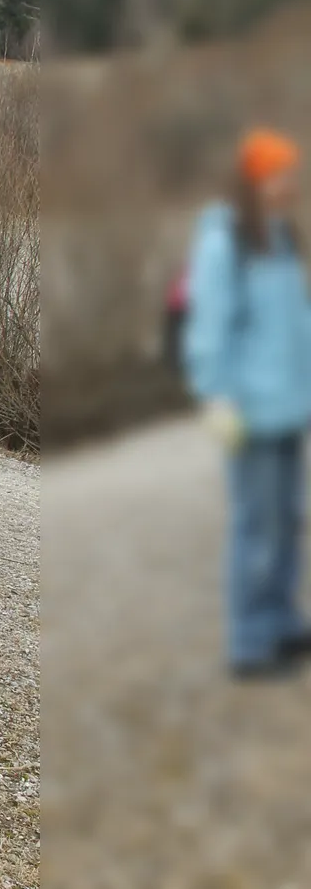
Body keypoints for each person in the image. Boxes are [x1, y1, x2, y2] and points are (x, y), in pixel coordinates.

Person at [183, 127, 311, 680]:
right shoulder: (224, 241)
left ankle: (281, 620)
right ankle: (251, 641)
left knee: (288, 519)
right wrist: (218, 398)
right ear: (255, 179)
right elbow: (210, 331)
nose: (289, 184)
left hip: (289, 407)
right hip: (250, 411)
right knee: (256, 524)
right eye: (280, 174)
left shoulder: (281, 238)